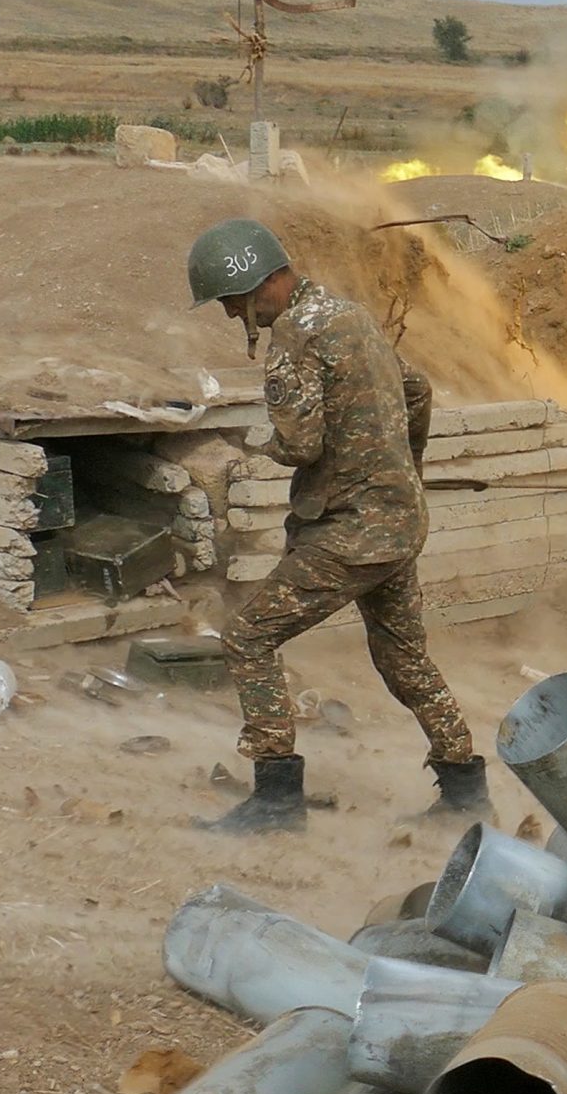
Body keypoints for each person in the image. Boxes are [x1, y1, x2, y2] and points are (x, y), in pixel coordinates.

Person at [184, 217, 493, 833]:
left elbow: (301, 445)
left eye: (227, 302)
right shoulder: (349, 316)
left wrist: (261, 445)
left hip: (351, 534)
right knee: (404, 658)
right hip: (399, 523)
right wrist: (406, 467)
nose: (228, 317)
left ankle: (276, 799)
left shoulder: (294, 344)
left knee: (247, 636)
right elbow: (418, 389)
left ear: (254, 287)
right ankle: (466, 790)